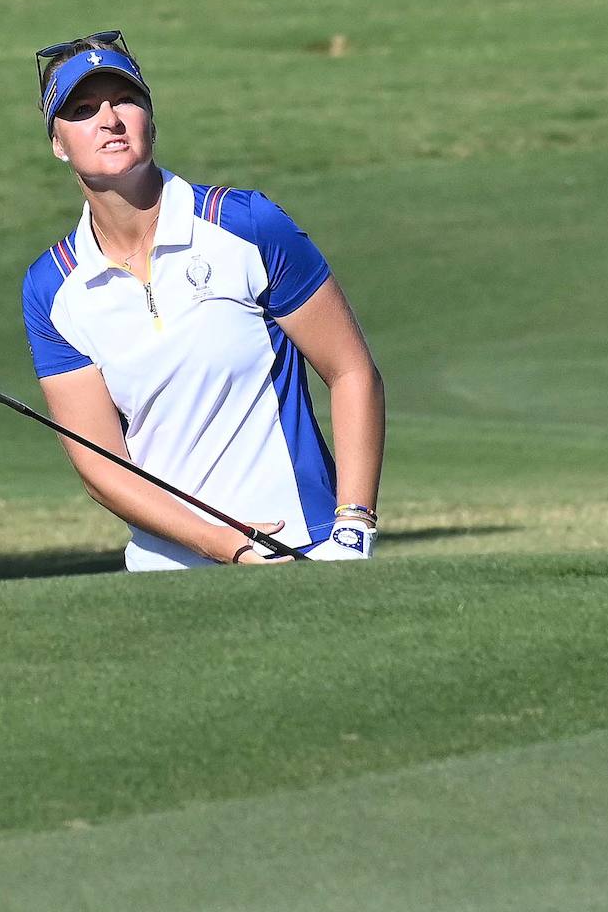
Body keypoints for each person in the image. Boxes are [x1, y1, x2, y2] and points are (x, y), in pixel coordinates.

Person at [21, 31, 385, 571]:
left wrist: (353, 526)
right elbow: (103, 467)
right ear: (58, 142)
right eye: (82, 110)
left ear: (150, 120)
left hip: (302, 550)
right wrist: (218, 543)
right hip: (168, 573)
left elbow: (352, 371)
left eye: (125, 100)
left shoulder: (247, 224)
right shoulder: (53, 288)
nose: (109, 120)